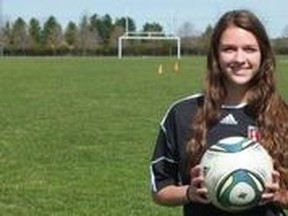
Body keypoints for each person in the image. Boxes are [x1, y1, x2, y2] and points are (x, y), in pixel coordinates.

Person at [150, 9, 288, 216]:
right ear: (216, 55)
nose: (240, 58)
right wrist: (189, 193)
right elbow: (160, 189)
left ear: (263, 54)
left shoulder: (282, 115)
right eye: (229, 49)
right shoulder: (182, 114)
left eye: (250, 49)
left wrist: (278, 196)